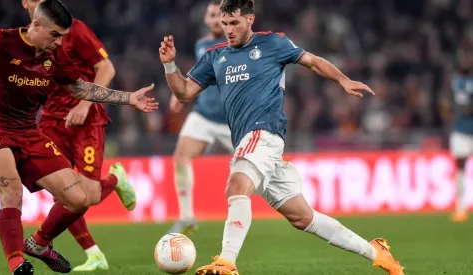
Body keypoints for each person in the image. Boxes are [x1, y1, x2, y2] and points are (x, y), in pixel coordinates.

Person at [159, 0, 404, 274]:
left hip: (264, 132)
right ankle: (377, 252)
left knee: (236, 186)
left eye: (234, 23)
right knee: (303, 218)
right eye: (225, 24)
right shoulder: (215, 56)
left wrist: (342, 80)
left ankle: (226, 262)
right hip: (249, 141)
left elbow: (312, 61)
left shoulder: (273, 44)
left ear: (250, 19)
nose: (228, 29)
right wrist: (170, 66)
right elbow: (183, 93)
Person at [0, 0, 157, 274]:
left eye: (62, 37)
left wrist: (128, 98)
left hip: (30, 132)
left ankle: (39, 245)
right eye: (54, 35)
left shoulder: (56, 55)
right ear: (36, 25)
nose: (58, 42)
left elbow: (80, 88)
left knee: (81, 198)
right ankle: (17, 264)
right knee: (12, 190)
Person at [21, 0, 136, 271]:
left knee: (89, 196)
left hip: (87, 122)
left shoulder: (76, 30)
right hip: (51, 121)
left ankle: (115, 178)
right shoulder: (26, 38)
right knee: (64, 195)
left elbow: (106, 68)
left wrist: (85, 104)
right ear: (25, 2)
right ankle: (92, 253)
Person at [168, 0, 233, 235]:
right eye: (212, 15)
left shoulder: (237, 43)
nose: (216, 20)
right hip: (204, 115)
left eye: (219, 16)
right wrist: (181, 92)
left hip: (234, 120)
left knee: (260, 169)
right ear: (206, 19)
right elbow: (203, 72)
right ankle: (186, 217)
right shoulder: (202, 44)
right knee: (181, 157)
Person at [449, 47, 473, 222]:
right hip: (461, 131)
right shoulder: (457, 81)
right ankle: (461, 207)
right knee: (460, 168)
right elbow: (462, 107)